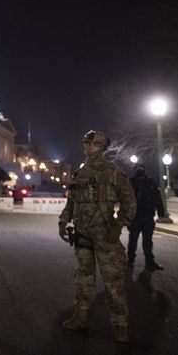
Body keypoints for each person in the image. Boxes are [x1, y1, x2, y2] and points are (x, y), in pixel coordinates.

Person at [59, 130, 136, 343]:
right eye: (86, 144)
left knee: (113, 281)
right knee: (83, 278)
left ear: (101, 147)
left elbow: (130, 202)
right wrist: (63, 221)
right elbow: (71, 202)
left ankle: (121, 326)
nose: (87, 148)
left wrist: (118, 226)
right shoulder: (79, 173)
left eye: (91, 145)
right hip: (82, 233)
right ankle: (80, 317)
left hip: (105, 234)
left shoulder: (112, 172)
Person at [128, 163, 165, 271]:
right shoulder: (130, 183)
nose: (140, 170)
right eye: (138, 169)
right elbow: (125, 199)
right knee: (133, 239)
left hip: (148, 216)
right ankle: (130, 260)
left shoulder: (150, 182)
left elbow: (157, 197)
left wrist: (161, 211)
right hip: (136, 216)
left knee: (147, 240)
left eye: (141, 168)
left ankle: (149, 261)